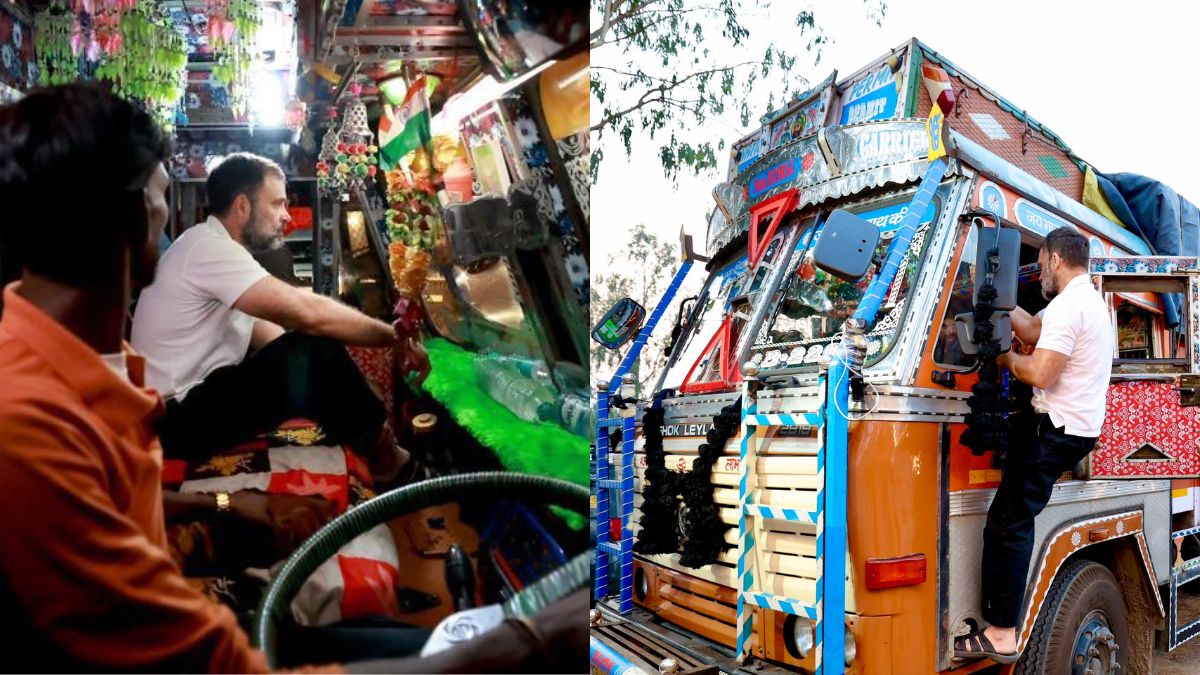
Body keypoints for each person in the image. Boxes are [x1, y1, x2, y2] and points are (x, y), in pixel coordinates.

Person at [0, 83, 585, 674]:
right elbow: (300, 320)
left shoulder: (65, 359)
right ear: (129, 216)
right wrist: (526, 640)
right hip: (189, 460)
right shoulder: (31, 426)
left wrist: (234, 501)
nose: (165, 214)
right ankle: (402, 471)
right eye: (159, 195)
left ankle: (402, 474)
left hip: (191, 434)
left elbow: (273, 354)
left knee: (397, 636)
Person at [131, 152, 429, 484]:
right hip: (174, 420)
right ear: (243, 206)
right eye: (277, 204)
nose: (286, 216)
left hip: (185, 409)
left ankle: (379, 452)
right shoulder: (206, 248)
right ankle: (393, 465)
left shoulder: (213, 251)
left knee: (313, 353)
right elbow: (307, 314)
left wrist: (349, 381)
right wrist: (393, 336)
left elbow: (274, 339)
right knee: (315, 345)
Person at [954, 227, 1114, 662]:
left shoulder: (1072, 307)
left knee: (1008, 521)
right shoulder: (1082, 302)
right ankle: (1003, 625)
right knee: (1011, 515)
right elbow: (1034, 327)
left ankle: (1004, 633)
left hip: (1055, 428)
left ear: (1056, 260)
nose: (1040, 270)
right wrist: (991, 294)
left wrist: (1003, 355)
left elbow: (1041, 373)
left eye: (1041, 263)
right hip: (1067, 426)